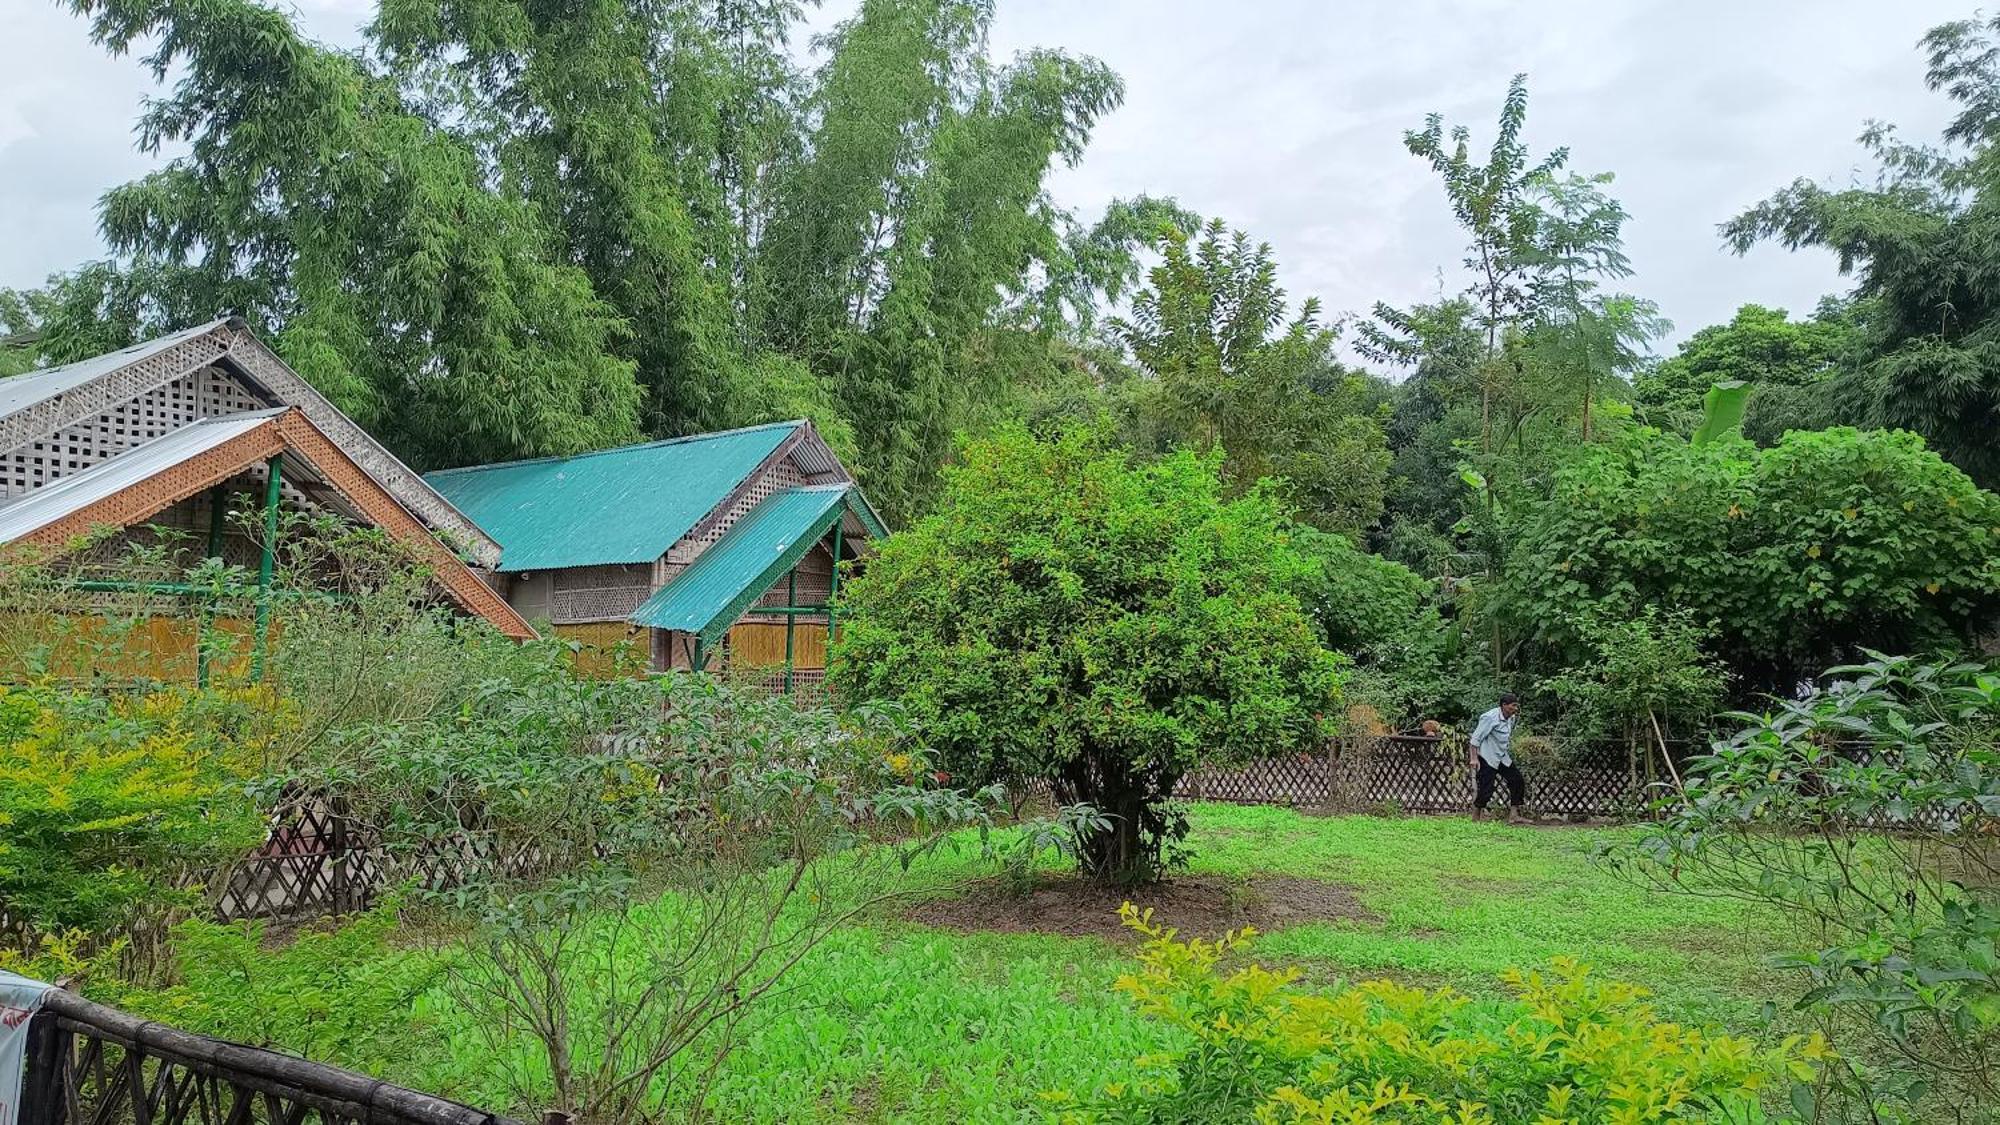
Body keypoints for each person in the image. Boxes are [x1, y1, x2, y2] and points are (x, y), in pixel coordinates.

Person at [1469, 692, 1525, 820]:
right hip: (1488, 756)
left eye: (1516, 706)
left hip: (1502, 756)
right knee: (1486, 787)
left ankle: (1514, 815)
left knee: (1517, 780)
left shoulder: (1511, 717)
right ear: (1504, 705)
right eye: (1513, 706)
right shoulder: (1489, 717)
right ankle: (1476, 815)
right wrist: (1473, 758)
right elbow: (1475, 739)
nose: (1515, 709)